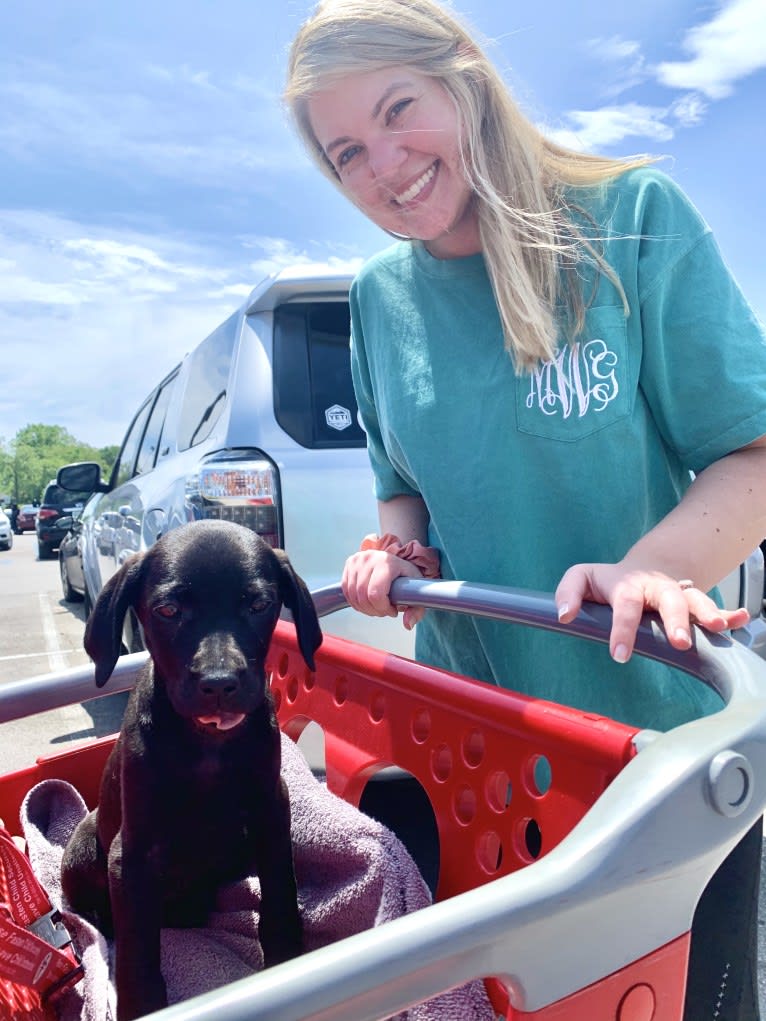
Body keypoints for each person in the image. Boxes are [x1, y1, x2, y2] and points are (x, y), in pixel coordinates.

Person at [284, 1, 766, 1016]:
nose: (384, 165)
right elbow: (401, 483)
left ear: (464, 76)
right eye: (345, 153)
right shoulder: (376, 297)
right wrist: (396, 552)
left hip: (661, 767)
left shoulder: (631, 216)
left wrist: (652, 566)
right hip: (481, 764)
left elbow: (749, 454)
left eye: (399, 108)